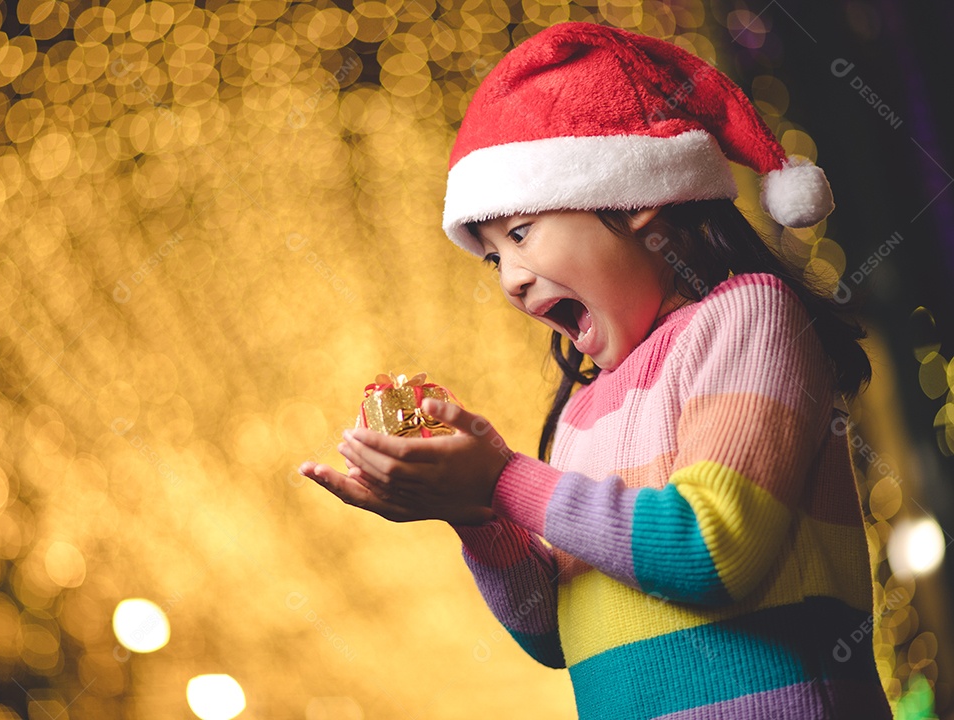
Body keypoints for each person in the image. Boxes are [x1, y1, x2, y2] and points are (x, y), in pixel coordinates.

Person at [298, 20, 893, 720]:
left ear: (636, 198)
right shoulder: (584, 412)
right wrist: (478, 515)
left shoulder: (747, 319)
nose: (510, 280)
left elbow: (710, 550)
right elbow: (558, 632)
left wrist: (502, 476)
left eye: (519, 234)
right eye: (494, 257)